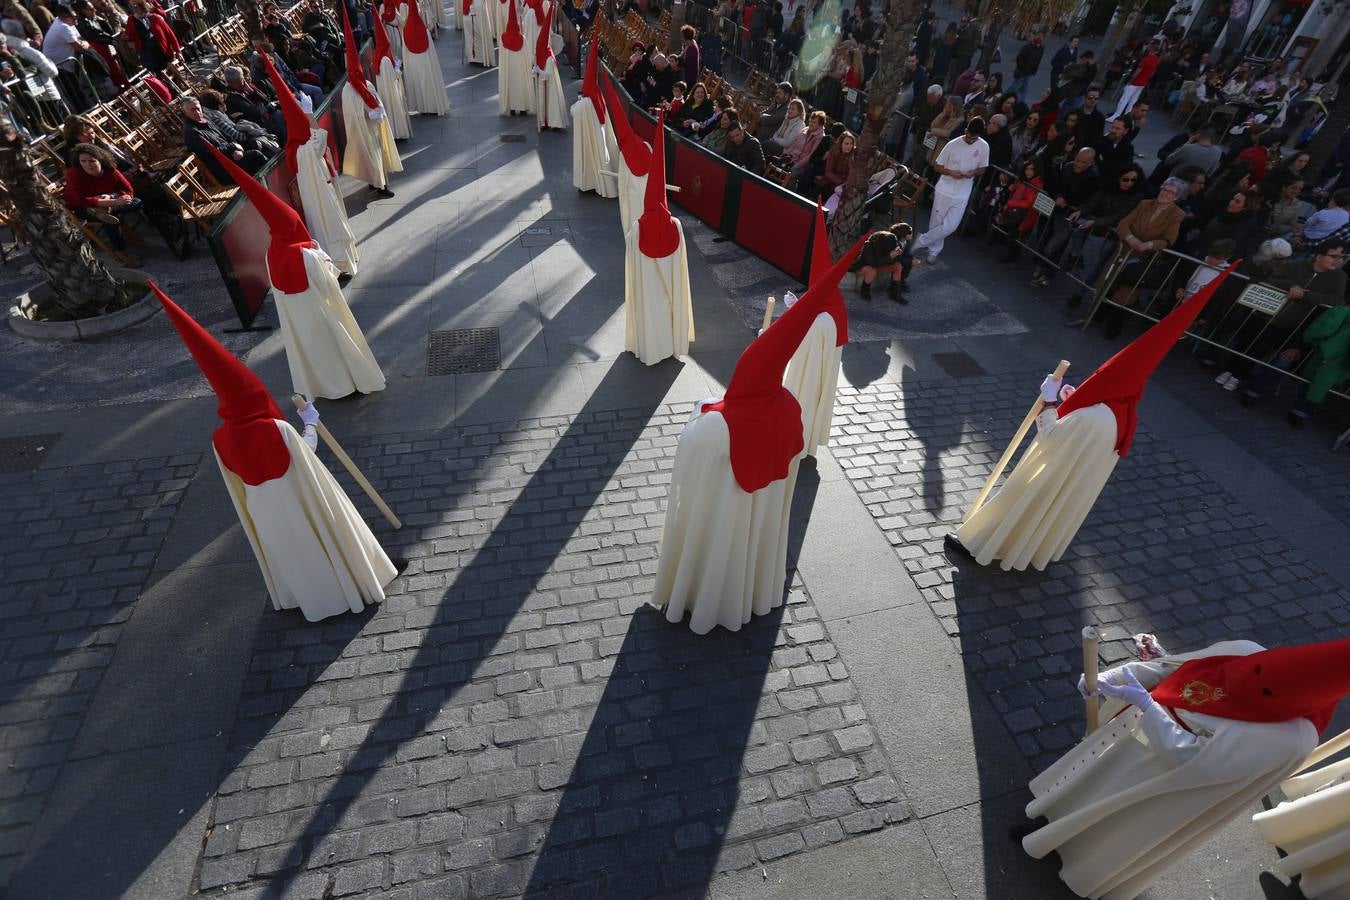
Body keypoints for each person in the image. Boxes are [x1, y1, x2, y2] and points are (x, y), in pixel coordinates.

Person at [950, 266, 1237, 570]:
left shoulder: (1094, 415)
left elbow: (1053, 437)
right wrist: (1069, 401)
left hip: (1051, 474)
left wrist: (1049, 399)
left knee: (1024, 499)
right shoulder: (1121, 410)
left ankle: (980, 544)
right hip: (1069, 481)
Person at [1019, 635, 1346, 899]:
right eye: (1263, 668)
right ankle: (1049, 823)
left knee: (1115, 820)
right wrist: (1113, 676)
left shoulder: (1288, 738)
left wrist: (1147, 707)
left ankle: (1078, 864)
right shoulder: (1248, 653)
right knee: (1088, 783)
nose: (1253, 679)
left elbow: (1198, 765)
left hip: (1164, 779)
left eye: (1267, 688)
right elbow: (1173, 669)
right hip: (1135, 733)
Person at [152, 285, 399, 623]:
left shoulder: (219, 438)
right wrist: (310, 424)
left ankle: (313, 600)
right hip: (300, 497)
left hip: (265, 509)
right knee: (323, 537)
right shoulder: (277, 430)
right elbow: (305, 455)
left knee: (294, 553)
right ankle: (353, 587)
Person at [654, 240, 863, 635]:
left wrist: (703, 410)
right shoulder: (790, 407)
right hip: (760, 511)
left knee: (717, 548)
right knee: (750, 542)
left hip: (720, 512)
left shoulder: (716, 425)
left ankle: (702, 596)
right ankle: (750, 593)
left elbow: (688, 475)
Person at [208, 143, 386, 402]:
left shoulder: (272, 253)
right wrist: (322, 257)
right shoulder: (306, 255)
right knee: (333, 344)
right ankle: (346, 384)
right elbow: (330, 285)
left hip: (298, 318)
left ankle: (324, 386)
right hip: (320, 311)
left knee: (312, 350)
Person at [623, 109, 694, 366]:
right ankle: (670, 345)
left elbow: (631, 263)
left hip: (647, 285)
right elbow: (681, 269)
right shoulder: (675, 225)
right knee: (667, 306)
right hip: (668, 286)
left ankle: (649, 347)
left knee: (649, 308)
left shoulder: (637, 230)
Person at [785, 205, 852, 459]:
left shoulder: (822, 320)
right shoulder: (833, 306)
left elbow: (801, 347)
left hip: (811, 369)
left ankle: (799, 444)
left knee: (806, 398)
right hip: (824, 356)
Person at [338, 15, 400, 197]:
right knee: (372, 157)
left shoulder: (365, 83)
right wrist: (368, 115)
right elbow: (352, 114)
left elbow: (374, 97)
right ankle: (380, 186)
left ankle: (377, 182)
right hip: (363, 131)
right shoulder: (348, 91)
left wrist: (377, 110)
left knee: (377, 156)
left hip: (372, 127)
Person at [913, 117, 989, 262]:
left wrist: (972, 173)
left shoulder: (984, 146)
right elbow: (937, 166)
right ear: (966, 130)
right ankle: (933, 252)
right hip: (944, 189)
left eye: (974, 138)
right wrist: (951, 172)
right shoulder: (952, 144)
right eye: (969, 136)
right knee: (936, 222)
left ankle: (921, 241)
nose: (970, 140)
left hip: (963, 192)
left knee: (951, 226)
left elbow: (983, 169)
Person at [63, 143, 142, 266]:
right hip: (82, 207)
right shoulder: (75, 173)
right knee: (109, 219)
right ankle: (121, 252)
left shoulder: (110, 170)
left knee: (137, 202)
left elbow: (128, 189)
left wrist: (111, 197)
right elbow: (84, 200)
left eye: (92, 161)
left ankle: (105, 211)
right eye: (83, 161)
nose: (87, 165)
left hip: (106, 202)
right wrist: (114, 202)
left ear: (100, 159)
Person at [182, 97, 267, 183]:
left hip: (231, 155)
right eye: (193, 110)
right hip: (223, 167)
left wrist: (237, 148)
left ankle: (262, 183)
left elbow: (226, 136)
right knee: (256, 155)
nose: (197, 112)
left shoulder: (205, 120)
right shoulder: (191, 133)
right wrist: (233, 147)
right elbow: (212, 153)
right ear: (185, 113)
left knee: (255, 143)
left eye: (198, 108)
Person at [571, 37, 615, 198]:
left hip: (587, 136)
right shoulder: (598, 96)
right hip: (597, 134)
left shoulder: (585, 103)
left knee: (588, 158)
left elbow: (574, 112)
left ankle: (588, 182)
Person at [396, 0, 448, 116]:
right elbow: (431, 53)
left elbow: (405, 53)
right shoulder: (425, 31)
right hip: (426, 63)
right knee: (428, 82)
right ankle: (433, 106)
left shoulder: (405, 31)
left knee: (418, 83)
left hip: (413, 65)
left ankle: (422, 107)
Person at [857, 220, 913, 302]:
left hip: (880, 264)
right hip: (865, 266)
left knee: (897, 266)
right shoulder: (869, 247)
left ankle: (895, 293)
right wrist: (889, 256)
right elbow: (873, 263)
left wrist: (897, 255)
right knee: (872, 271)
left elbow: (895, 261)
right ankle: (865, 290)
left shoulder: (891, 243)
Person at [121, 0, 177, 74]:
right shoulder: (131, 20)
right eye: (131, 6)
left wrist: (177, 50)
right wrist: (125, 36)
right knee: (158, 74)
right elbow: (129, 35)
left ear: (141, 5)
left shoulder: (154, 17)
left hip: (161, 49)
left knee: (170, 71)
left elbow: (169, 33)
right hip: (147, 53)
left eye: (135, 6)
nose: (133, 9)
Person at [1109, 39, 1159, 121]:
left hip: (1136, 82)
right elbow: (1153, 72)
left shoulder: (1146, 59)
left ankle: (1117, 115)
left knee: (1124, 99)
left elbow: (1138, 71)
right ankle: (1128, 116)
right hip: (1143, 82)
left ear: (1151, 48)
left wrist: (1131, 80)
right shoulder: (1156, 59)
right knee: (1133, 100)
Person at [495, 0, 530, 115]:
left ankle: (512, 107)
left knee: (511, 85)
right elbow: (527, 57)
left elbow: (502, 58)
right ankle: (523, 107)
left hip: (510, 69)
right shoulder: (523, 39)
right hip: (520, 69)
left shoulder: (502, 38)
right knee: (521, 84)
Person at [1010, 31, 1044, 100]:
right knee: (1013, 87)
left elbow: (1038, 60)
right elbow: (1019, 58)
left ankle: (1021, 104)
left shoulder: (1041, 49)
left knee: (1025, 89)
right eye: (1038, 36)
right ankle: (1005, 97)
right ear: (1035, 36)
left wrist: (1034, 71)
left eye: (1041, 37)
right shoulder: (1028, 47)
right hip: (1022, 71)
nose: (1040, 38)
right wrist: (1021, 68)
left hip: (1031, 73)